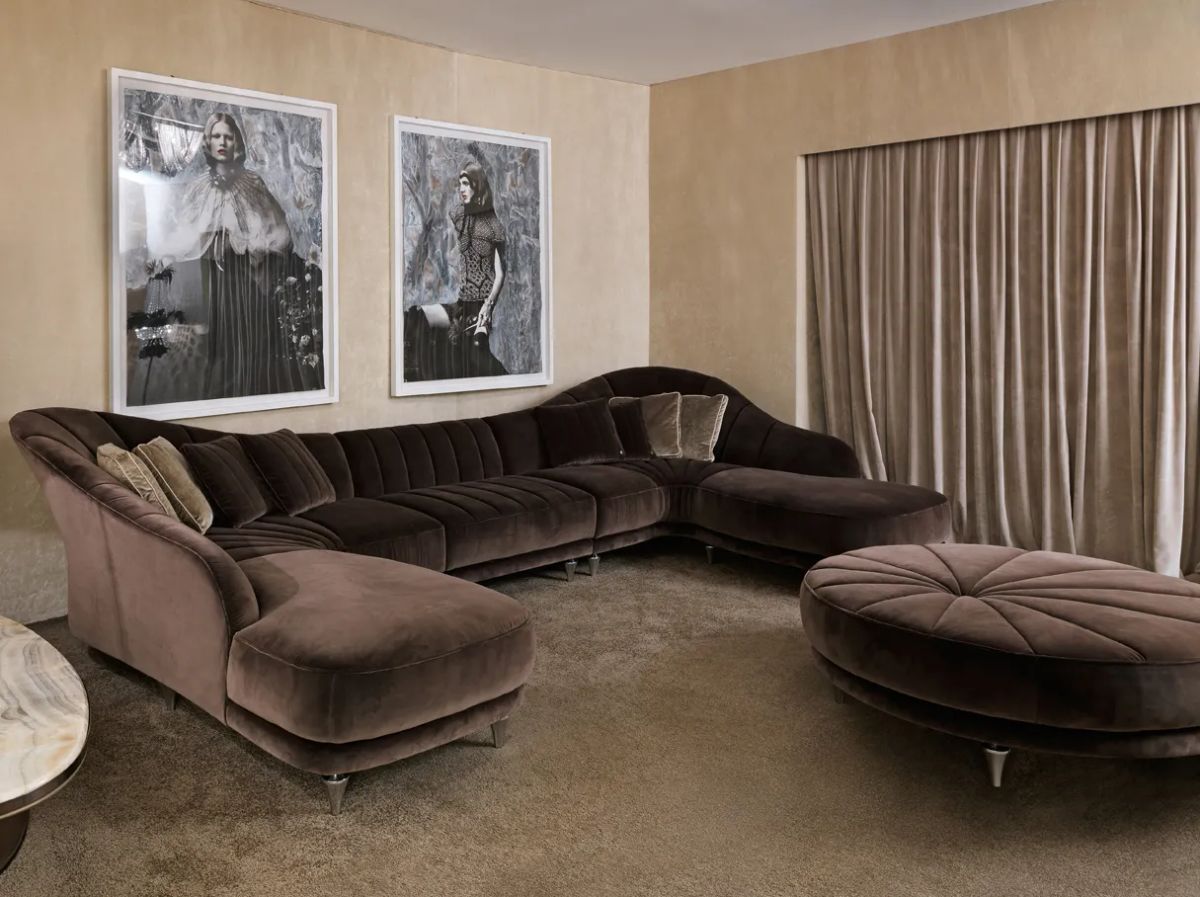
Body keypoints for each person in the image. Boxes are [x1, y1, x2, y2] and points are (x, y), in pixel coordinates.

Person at [156, 112, 322, 399]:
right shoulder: (198, 188)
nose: (222, 142)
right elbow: (185, 234)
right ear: (208, 142)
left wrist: (247, 245)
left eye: (228, 137)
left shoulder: (253, 183)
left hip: (248, 285)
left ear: (237, 143)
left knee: (250, 346)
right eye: (216, 136)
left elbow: (278, 232)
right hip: (213, 286)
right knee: (217, 348)